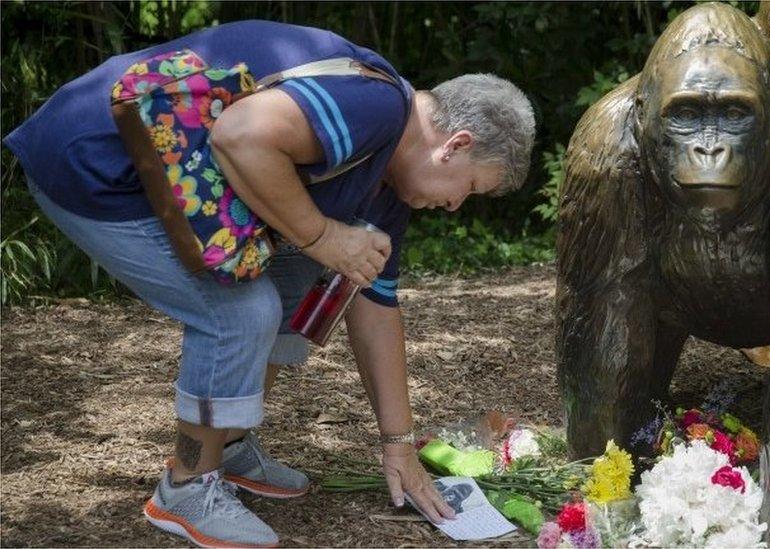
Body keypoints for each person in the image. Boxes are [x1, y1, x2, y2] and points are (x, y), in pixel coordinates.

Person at [3, 19, 535, 547]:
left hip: (155, 177)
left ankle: (227, 445)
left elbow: (374, 306)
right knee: (240, 311)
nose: (454, 205)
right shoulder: (376, 108)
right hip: (94, 165)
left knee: (305, 278)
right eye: (468, 188)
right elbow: (241, 135)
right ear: (455, 144)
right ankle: (186, 487)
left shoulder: (388, 187)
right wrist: (323, 234)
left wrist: (398, 446)